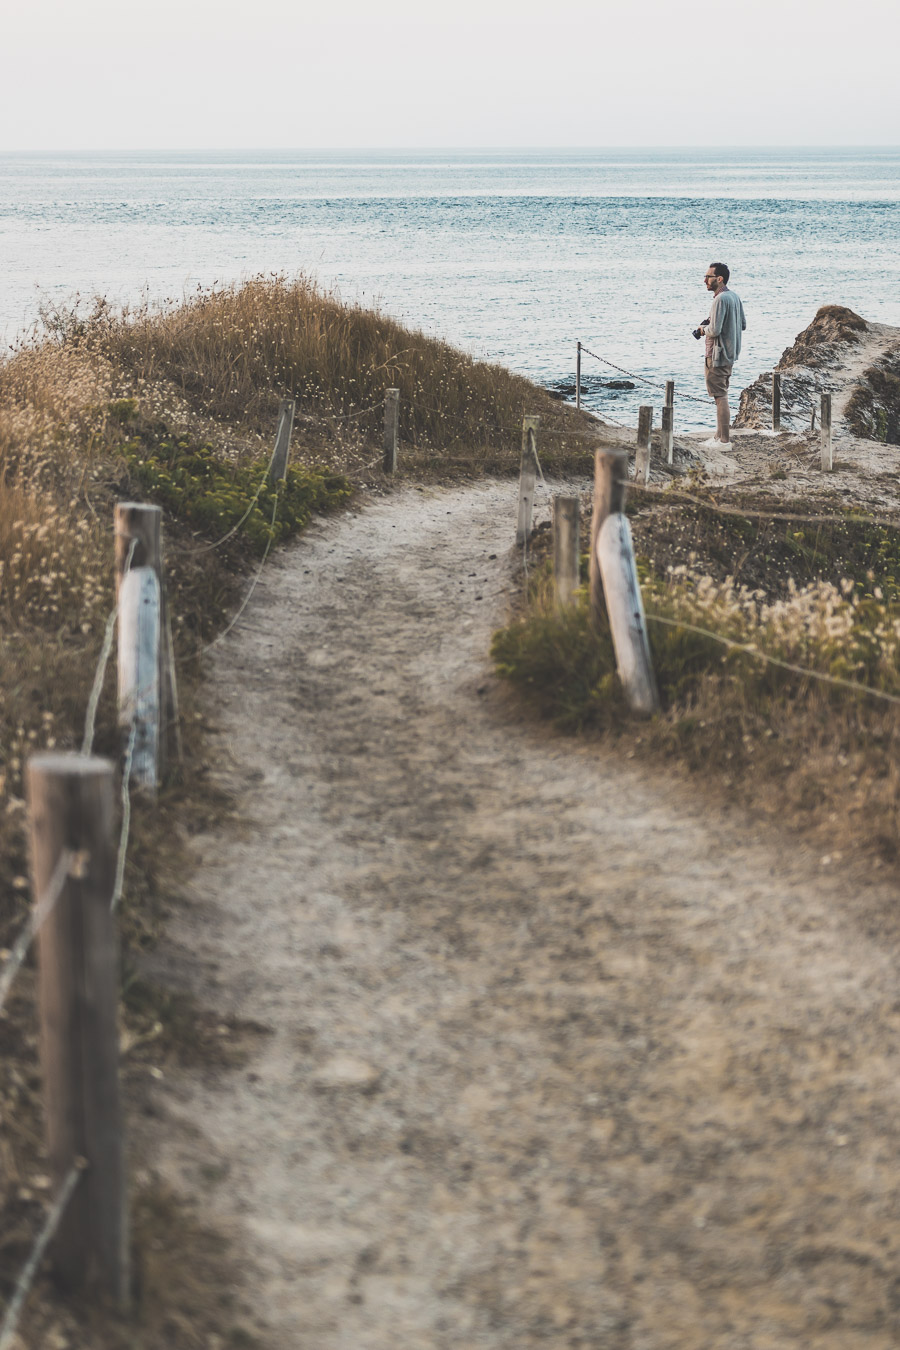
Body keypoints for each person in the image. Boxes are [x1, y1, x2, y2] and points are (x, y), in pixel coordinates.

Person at [700, 263, 746, 448]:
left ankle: (724, 440)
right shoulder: (734, 297)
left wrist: (702, 329)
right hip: (730, 353)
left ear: (719, 279)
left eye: (708, 277)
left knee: (720, 396)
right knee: (721, 394)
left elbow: (714, 330)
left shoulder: (719, 300)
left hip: (717, 354)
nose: (705, 280)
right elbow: (742, 324)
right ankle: (718, 436)